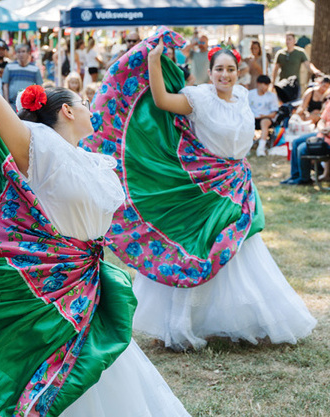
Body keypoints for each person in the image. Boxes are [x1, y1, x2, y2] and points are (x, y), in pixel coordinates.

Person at [0, 7, 191, 417]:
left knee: (104, 372)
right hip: (57, 279)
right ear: (66, 110)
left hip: (86, 277)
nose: (90, 107)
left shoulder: (93, 160)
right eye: (83, 101)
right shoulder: (37, 146)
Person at [84, 29, 316, 352]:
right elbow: (162, 99)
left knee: (241, 251)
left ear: (238, 72)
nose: (225, 75)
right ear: (211, 72)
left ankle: (244, 319)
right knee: (196, 249)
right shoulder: (199, 98)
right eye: (219, 69)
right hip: (204, 187)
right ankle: (180, 325)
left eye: (230, 69)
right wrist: (153, 60)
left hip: (237, 184)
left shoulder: (244, 97)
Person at [281, 98, 330, 185]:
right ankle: (295, 176)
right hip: (322, 134)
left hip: (327, 141)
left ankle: (304, 179)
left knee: (302, 148)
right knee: (296, 142)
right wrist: (322, 128)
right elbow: (322, 120)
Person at [272, 32, 320, 96]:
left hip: (295, 85)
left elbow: (308, 65)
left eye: (289, 39)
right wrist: (272, 83)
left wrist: (315, 71)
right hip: (282, 84)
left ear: (294, 40)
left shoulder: (300, 52)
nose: (288, 41)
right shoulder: (280, 53)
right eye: (286, 39)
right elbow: (275, 69)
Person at [2, 43, 43, 109]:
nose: (21, 54)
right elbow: (5, 85)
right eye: (18, 52)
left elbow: (39, 87)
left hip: (29, 105)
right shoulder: (9, 67)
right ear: (16, 54)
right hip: (12, 104)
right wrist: (7, 102)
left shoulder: (35, 69)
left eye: (23, 51)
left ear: (28, 53)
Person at [248, 75, 279, 156]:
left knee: (264, 123)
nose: (266, 87)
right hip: (252, 118)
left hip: (266, 118)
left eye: (267, 85)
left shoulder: (272, 96)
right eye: (264, 84)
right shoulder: (250, 94)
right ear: (258, 84)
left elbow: (273, 113)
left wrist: (263, 116)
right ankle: (246, 147)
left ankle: (261, 148)